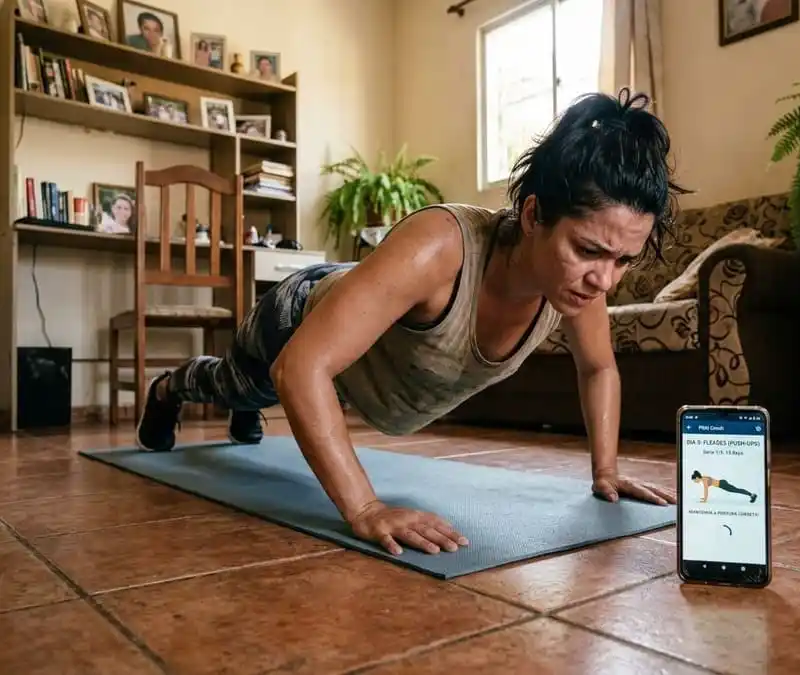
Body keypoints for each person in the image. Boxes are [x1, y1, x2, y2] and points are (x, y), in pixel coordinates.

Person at [136, 88, 686, 557]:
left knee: (256, 399)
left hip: (365, 329)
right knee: (237, 386)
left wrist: (606, 471)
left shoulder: (578, 286)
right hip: (298, 314)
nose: (605, 280)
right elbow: (301, 368)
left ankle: (243, 417)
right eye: (589, 250)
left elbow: (599, 369)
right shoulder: (441, 247)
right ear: (533, 214)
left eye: (624, 260)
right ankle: (168, 387)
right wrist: (366, 507)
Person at [691, 470, 757, 503]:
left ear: (697, 478)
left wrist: (705, 500)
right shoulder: (703, 477)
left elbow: (706, 491)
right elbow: (709, 485)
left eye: (695, 480)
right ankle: (751, 495)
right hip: (722, 483)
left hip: (723, 485)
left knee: (737, 490)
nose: (695, 482)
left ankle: (752, 495)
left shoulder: (704, 481)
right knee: (737, 489)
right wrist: (704, 498)